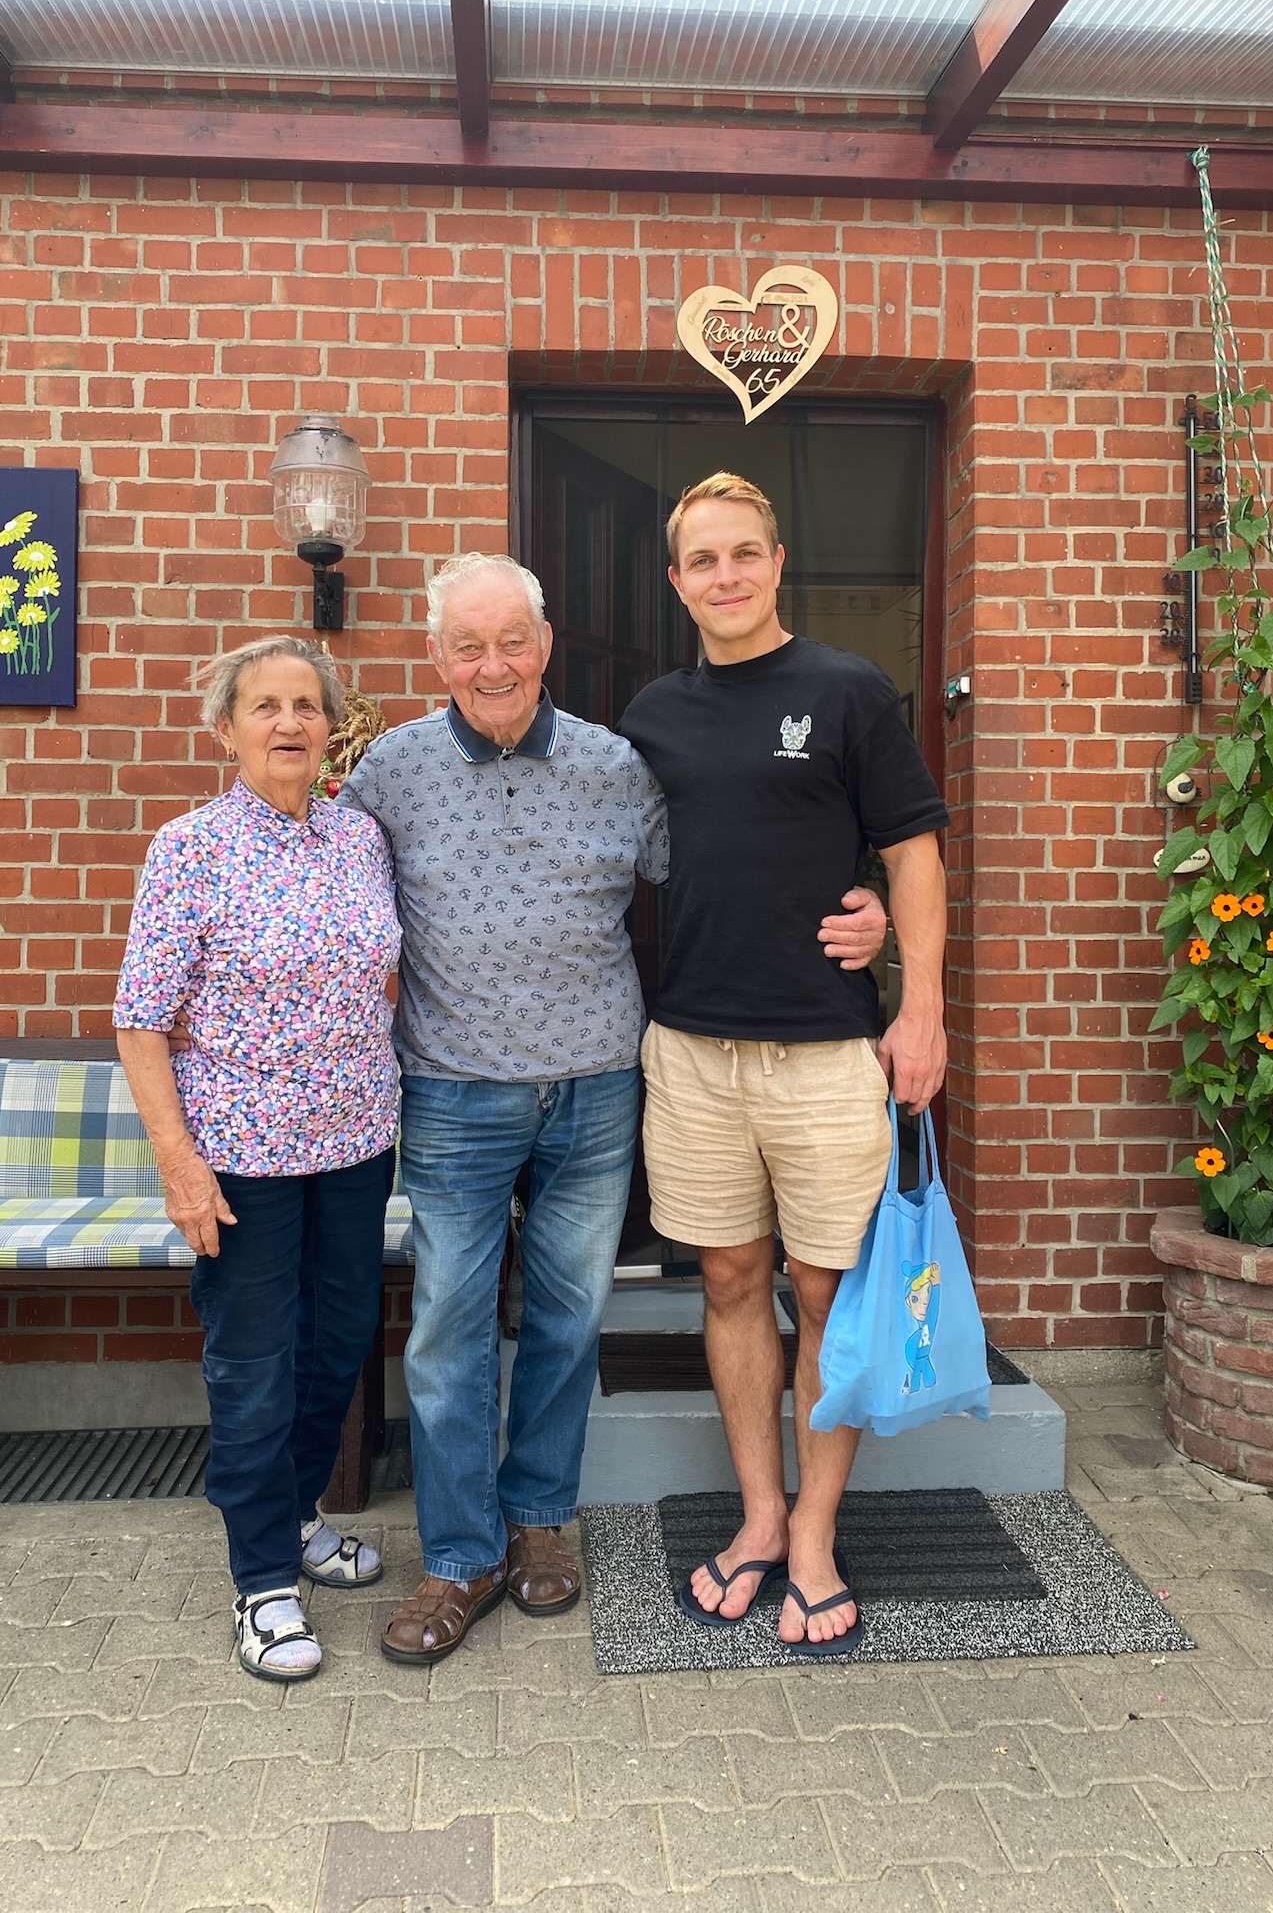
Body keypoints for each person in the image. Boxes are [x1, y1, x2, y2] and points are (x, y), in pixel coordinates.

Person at [342, 552, 891, 1664]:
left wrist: (868, 900)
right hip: (451, 1090)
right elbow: (324, 889)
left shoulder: (616, 761)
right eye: (468, 646)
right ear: (437, 656)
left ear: (545, 645)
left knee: (566, 1318)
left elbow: (735, 863)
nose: (493, 665)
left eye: (513, 641)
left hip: (596, 1087)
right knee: (448, 1330)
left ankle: (540, 1520)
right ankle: (460, 1554)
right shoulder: (391, 770)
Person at [619, 472, 950, 1657]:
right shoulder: (651, 713)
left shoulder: (846, 690)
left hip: (825, 1048)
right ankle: (760, 1513)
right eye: (703, 559)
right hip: (693, 1049)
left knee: (826, 1293)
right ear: (677, 581)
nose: (727, 575)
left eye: (744, 553)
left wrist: (919, 1002)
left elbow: (912, 851)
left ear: (776, 562)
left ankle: (815, 1529)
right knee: (727, 1279)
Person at [113, 635, 402, 1684]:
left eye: (306, 706)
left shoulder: (360, 837)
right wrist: (179, 1163)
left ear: (330, 727)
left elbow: (383, 975)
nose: (289, 723)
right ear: (226, 728)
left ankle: (296, 1511)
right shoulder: (190, 847)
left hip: (355, 1142)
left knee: (338, 1342)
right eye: (266, 706)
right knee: (254, 1361)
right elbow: (141, 1021)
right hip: (241, 1155)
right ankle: (264, 1579)